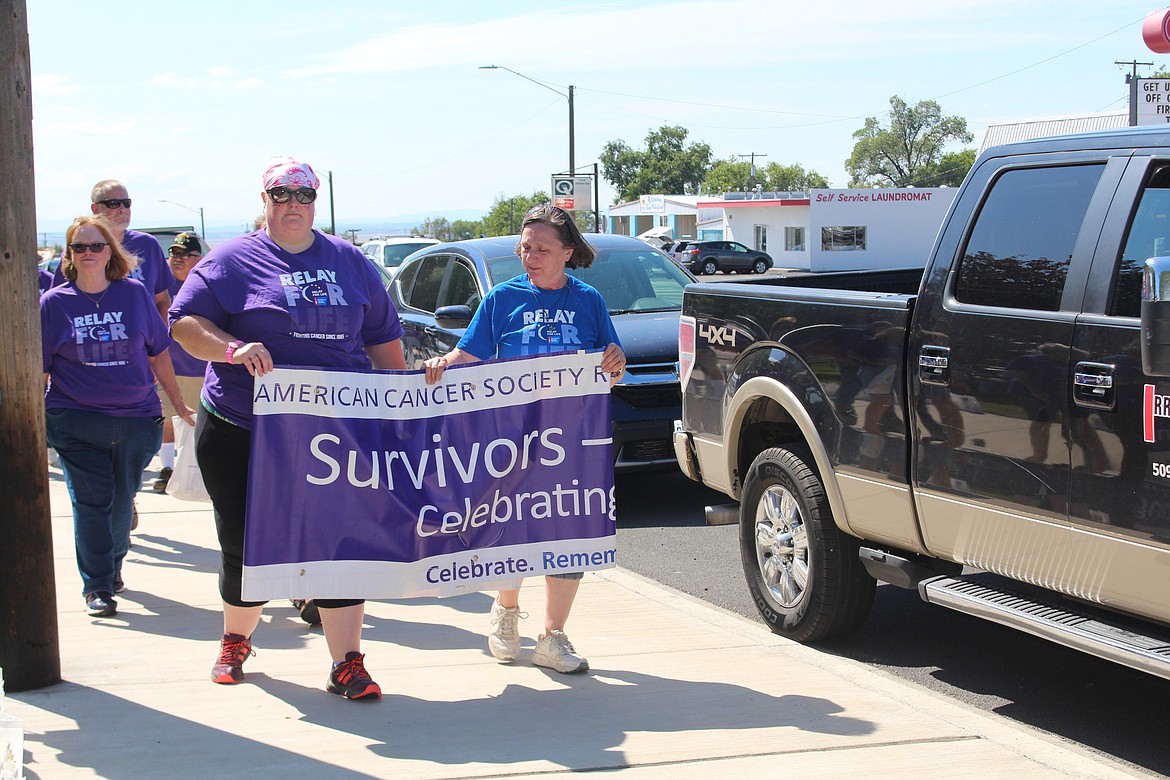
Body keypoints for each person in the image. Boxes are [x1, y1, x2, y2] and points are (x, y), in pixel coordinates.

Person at [170, 156, 406, 701]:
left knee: (339, 544)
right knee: (244, 541)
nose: (292, 204)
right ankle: (235, 641)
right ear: (266, 200)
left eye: (302, 195)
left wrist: (400, 409)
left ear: (315, 201)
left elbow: (384, 344)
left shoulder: (350, 262)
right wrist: (232, 348)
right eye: (281, 194)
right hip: (242, 425)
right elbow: (183, 324)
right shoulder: (232, 260)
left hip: (334, 435)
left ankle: (347, 663)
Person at [423, 204, 627, 674]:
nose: (529, 256)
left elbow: (608, 370)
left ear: (566, 252)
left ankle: (553, 638)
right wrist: (440, 366)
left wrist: (614, 361)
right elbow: (467, 356)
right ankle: (506, 613)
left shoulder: (589, 301)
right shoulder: (502, 298)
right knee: (512, 524)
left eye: (540, 248)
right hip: (509, 440)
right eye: (525, 247)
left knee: (567, 531)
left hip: (571, 439)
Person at [41, 215, 195, 618]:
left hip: (135, 419)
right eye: (79, 247)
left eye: (96, 246)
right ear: (69, 256)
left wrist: (177, 405)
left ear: (110, 250)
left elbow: (158, 352)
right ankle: (96, 584)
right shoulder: (54, 304)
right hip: (76, 420)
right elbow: (40, 367)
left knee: (122, 501)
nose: (88, 253)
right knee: (92, 501)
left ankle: (112, 568)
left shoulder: (134, 295)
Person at [52, 180, 174, 321]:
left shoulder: (147, 245)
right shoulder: (79, 251)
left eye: (126, 203)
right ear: (95, 208)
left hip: (141, 339)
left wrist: (162, 340)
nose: (122, 209)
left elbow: (161, 300)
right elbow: (59, 302)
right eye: (114, 204)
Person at [153, 232, 207, 492]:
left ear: (198, 259)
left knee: (199, 422)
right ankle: (168, 469)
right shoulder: (162, 289)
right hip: (169, 367)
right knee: (168, 420)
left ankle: (198, 472)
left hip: (200, 367)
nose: (178, 259)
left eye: (186, 255)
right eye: (174, 254)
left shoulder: (207, 285)